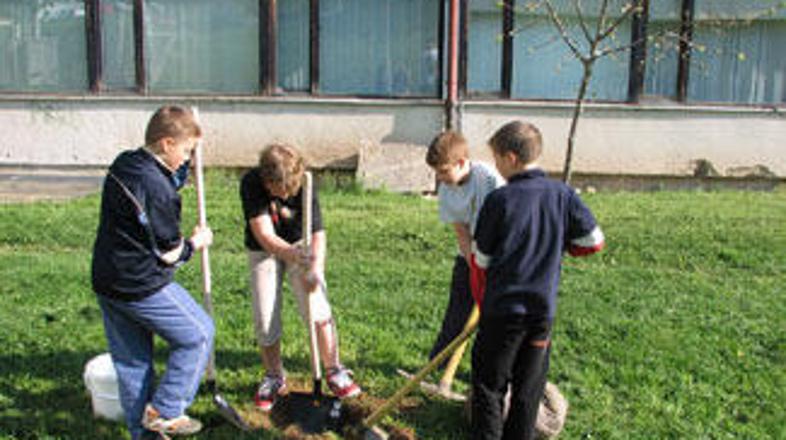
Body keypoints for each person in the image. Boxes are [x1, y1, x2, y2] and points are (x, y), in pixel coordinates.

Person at [470, 121, 605, 440]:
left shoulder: (500, 200)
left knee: (489, 385)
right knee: (528, 390)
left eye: (497, 159)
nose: (497, 167)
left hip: (503, 312)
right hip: (541, 314)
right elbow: (594, 241)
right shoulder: (563, 194)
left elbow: (481, 259)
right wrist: (560, 246)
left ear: (511, 158)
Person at [91, 105, 215, 440]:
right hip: (139, 284)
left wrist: (175, 179)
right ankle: (167, 409)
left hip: (108, 279)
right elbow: (169, 253)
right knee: (198, 334)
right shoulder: (158, 191)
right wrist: (197, 242)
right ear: (165, 143)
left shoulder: (125, 163)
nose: (188, 159)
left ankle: (143, 435)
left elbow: (146, 197)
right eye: (186, 151)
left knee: (133, 364)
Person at [239, 143, 361, 411]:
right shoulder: (251, 182)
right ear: (266, 180)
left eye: (288, 189)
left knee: (316, 305)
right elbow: (264, 235)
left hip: (301, 241)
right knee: (264, 312)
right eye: (279, 189)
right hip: (264, 250)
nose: (285, 195)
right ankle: (274, 375)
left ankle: (333, 369)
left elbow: (318, 232)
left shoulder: (306, 182)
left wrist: (314, 270)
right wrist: (290, 255)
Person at [424, 131, 504, 363]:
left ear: (461, 162)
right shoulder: (447, 189)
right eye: (436, 172)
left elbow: (504, 222)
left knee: (494, 321)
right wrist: (474, 266)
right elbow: (461, 231)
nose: (440, 177)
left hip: (498, 258)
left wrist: (489, 265)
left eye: (444, 171)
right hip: (469, 257)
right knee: (456, 314)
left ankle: (492, 370)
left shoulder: (489, 179)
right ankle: (438, 365)